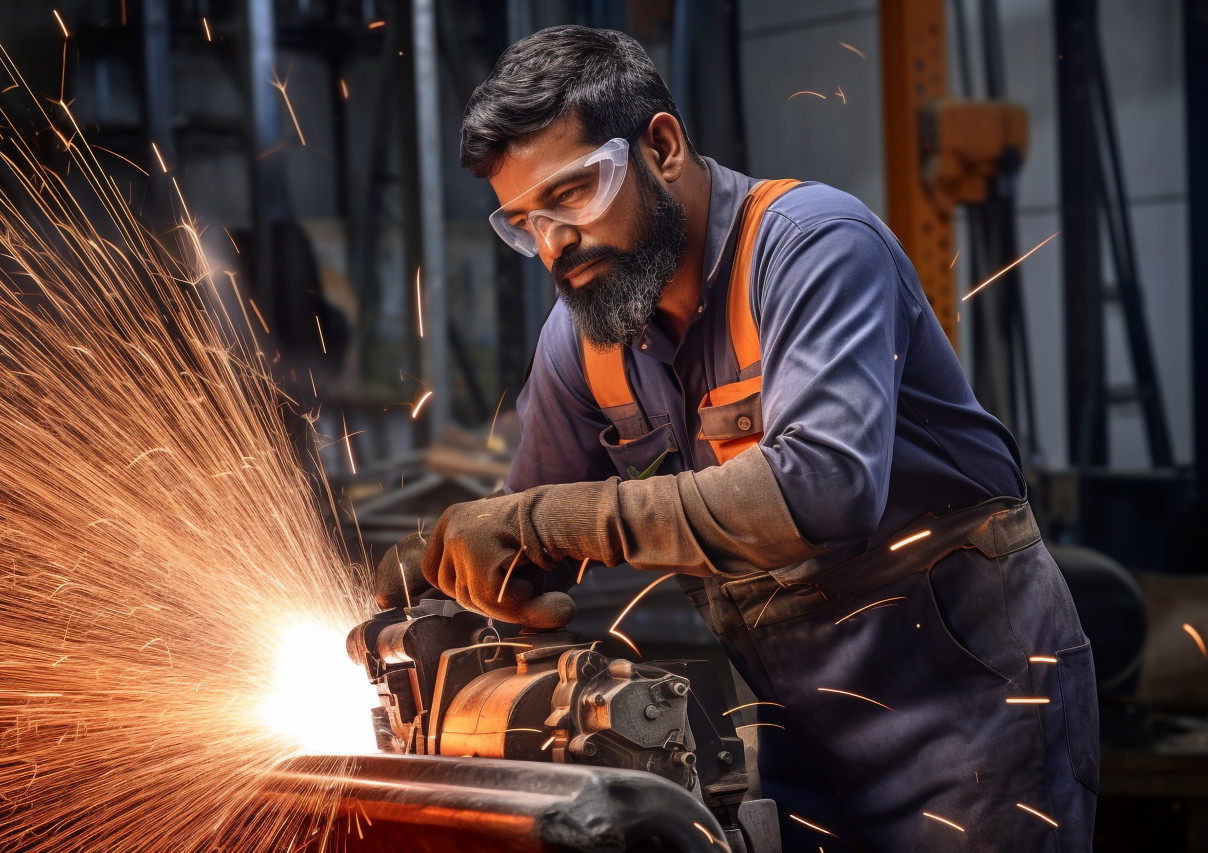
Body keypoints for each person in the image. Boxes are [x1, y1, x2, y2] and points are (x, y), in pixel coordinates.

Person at [414, 24, 1097, 852]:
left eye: (572, 194)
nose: (555, 243)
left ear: (661, 147)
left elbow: (823, 488)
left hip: (978, 722)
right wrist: (437, 569)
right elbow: (526, 537)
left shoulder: (813, 245)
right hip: (800, 736)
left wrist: (549, 520)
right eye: (524, 221)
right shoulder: (583, 335)